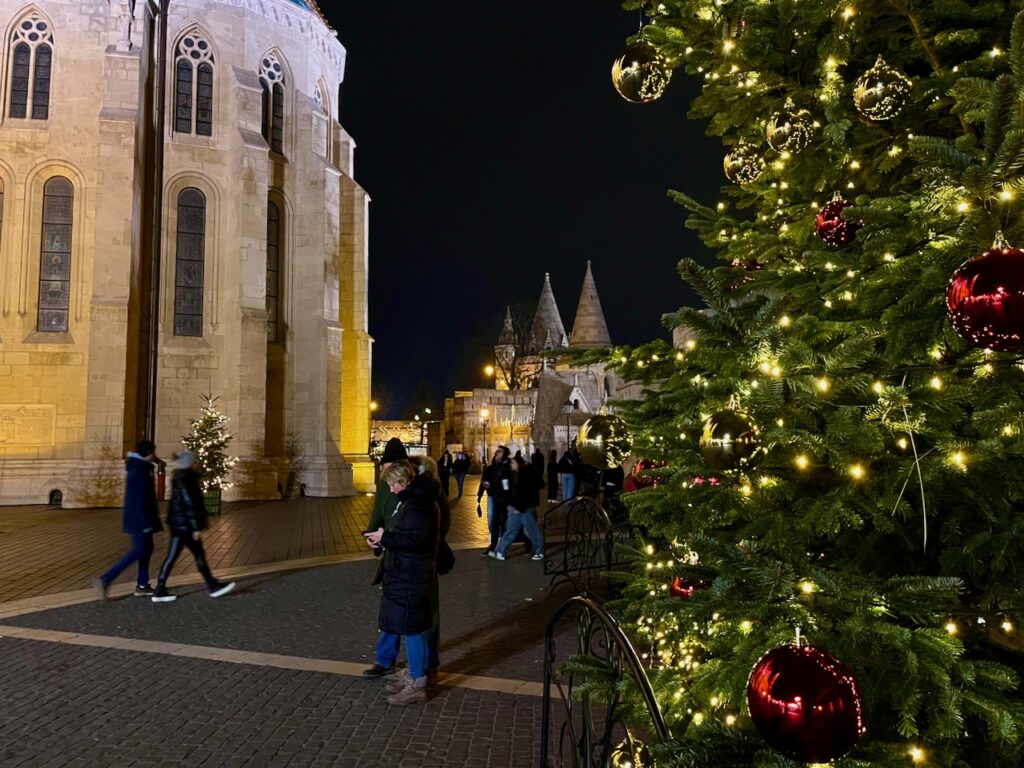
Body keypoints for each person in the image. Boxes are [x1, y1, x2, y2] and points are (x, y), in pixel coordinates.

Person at [364, 461, 439, 706]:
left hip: (411, 575)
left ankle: (417, 681)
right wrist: (384, 539)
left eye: (393, 485)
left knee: (413, 629)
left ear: (403, 481)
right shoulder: (414, 500)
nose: (392, 490)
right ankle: (415, 674)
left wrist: (386, 536)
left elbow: (415, 539)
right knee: (411, 626)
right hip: (407, 573)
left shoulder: (417, 504)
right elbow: (407, 536)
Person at [151, 452, 236, 602]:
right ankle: (212, 585)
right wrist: (196, 526)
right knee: (198, 555)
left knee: (172, 556)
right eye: (194, 460)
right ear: (189, 463)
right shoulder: (187, 479)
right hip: (186, 526)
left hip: (177, 524)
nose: (197, 462)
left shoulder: (179, 477)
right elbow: (190, 503)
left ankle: (159, 589)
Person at [363, 436, 411, 679]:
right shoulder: (386, 484)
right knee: (391, 609)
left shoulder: (415, 486)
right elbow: (379, 511)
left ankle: (422, 665)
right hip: (392, 551)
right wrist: (372, 535)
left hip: (410, 556)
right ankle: (385, 659)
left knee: (417, 617)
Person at [93, 440, 163, 600]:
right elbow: (140, 499)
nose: (155, 455)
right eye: (153, 452)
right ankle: (105, 579)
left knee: (147, 549)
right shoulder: (139, 471)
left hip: (140, 519)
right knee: (138, 550)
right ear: (148, 453)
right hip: (140, 520)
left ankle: (142, 584)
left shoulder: (139, 468)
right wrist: (145, 523)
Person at [493, 455, 545, 561]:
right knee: (513, 529)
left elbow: (525, 493)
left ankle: (540, 551)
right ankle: (500, 551)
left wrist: (518, 506)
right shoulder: (516, 474)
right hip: (516, 506)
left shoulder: (526, 474)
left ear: (518, 463)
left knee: (530, 530)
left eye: (513, 463)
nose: (511, 465)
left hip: (524, 507)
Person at [476, 445, 510, 556]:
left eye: (500, 452)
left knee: (504, 522)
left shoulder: (506, 467)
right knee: (492, 520)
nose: (497, 453)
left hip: (504, 499)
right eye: (497, 452)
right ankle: (493, 546)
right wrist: (480, 495)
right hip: (493, 497)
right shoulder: (490, 468)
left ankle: (502, 547)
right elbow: (483, 481)